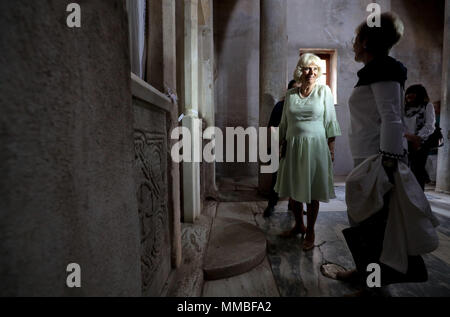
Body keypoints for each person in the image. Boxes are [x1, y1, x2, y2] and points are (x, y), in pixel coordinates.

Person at [338, 12, 413, 286]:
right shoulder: (376, 70)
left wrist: (389, 164)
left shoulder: (383, 69)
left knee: (371, 226)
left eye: (357, 38)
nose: (353, 43)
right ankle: (363, 273)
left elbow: (391, 117)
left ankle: (373, 288)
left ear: (367, 40)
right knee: (362, 221)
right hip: (370, 156)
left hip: (379, 158)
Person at [274, 53, 341, 251]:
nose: (311, 72)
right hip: (293, 147)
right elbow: (284, 122)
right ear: (300, 70)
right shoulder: (291, 95)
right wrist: (280, 145)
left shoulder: (324, 91)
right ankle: (298, 225)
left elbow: (330, 121)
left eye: (315, 69)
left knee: (312, 193)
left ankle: (310, 231)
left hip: (316, 148)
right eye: (306, 68)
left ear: (318, 71)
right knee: (294, 191)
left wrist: (331, 149)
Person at [264, 80, 300, 218]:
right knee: (277, 178)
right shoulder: (280, 105)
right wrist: (277, 143)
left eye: (299, 89)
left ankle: (294, 206)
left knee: (296, 177)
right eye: (294, 89)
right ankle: (271, 205)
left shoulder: (302, 107)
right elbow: (272, 126)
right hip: (280, 145)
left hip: (296, 146)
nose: (296, 92)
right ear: (288, 91)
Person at [404, 84, 436, 190]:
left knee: (418, 169)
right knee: (405, 169)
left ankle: (418, 195)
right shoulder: (404, 108)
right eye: (407, 95)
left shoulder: (427, 106)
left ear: (419, 95)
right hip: (405, 141)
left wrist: (417, 137)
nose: (409, 97)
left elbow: (430, 125)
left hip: (421, 142)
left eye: (412, 95)